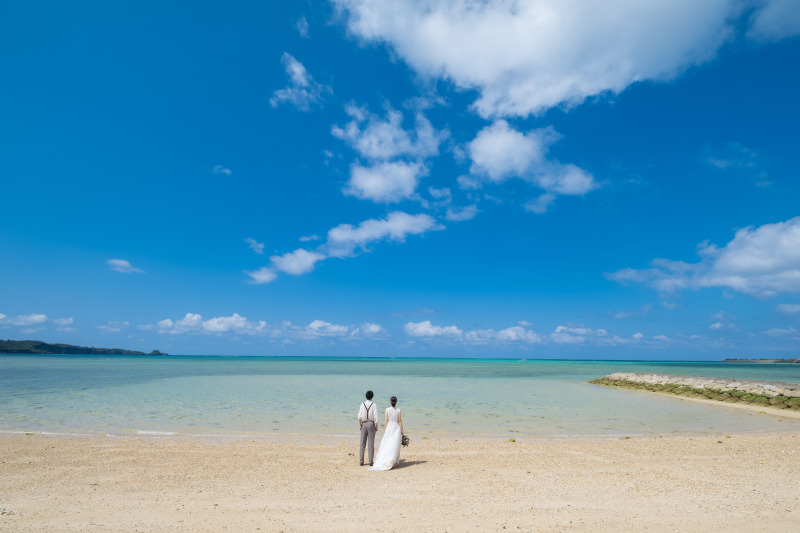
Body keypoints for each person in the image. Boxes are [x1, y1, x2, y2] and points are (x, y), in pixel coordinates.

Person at [368, 395, 404, 471]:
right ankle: (393, 461)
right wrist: (402, 430)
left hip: (389, 427)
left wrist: (385, 429)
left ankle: (388, 460)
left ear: (390, 402)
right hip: (396, 428)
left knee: (387, 443)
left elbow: (386, 421)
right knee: (394, 444)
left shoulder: (387, 409)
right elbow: (400, 421)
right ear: (396, 402)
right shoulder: (398, 410)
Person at [358, 390, 378, 466]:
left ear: (366, 396)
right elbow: (376, 416)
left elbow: (359, 416)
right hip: (371, 423)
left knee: (362, 443)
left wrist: (360, 425)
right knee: (371, 443)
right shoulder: (374, 405)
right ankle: (370, 461)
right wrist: (376, 425)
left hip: (363, 423)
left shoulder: (362, 404)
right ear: (372, 397)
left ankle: (361, 460)